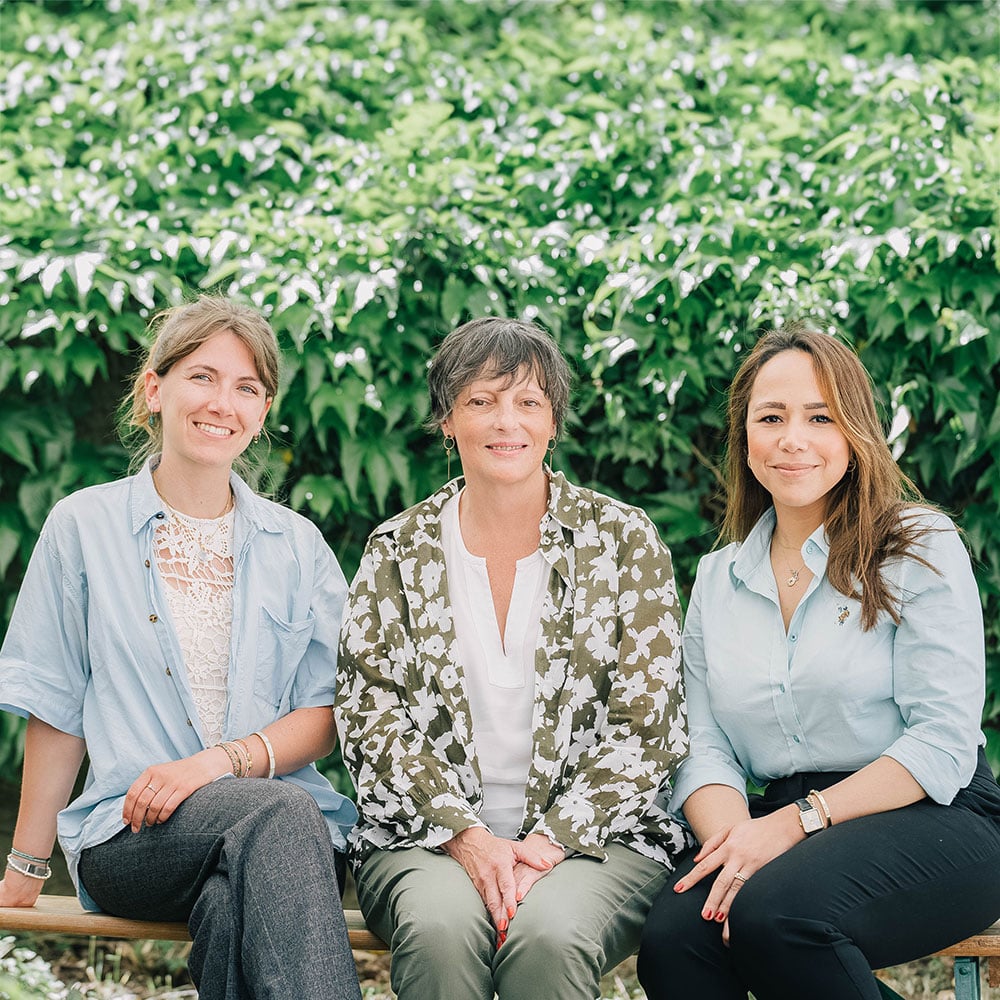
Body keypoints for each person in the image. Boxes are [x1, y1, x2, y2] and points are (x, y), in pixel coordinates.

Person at [0, 296, 363, 1000]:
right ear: (154, 389)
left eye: (246, 387)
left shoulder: (299, 548)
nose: (222, 402)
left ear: (262, 412)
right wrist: (27, 861)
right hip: (133, 837)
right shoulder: (83, 526)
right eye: (202, 376)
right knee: (280, 811)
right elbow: (56, 703)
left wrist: (212, 766)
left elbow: (329, 711)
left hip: (284, 839)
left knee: (231, 907)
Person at [636, 322, 1000, 1000]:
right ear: (745, 437)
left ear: (854, 432)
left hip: (935, 816)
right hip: (774, 826)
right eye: (770, 417)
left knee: (780, 917)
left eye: (819, 417)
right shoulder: (719, 578)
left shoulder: (917, 545)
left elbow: (943, 741)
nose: (792, 439)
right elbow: (703, 746)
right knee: (676, 940)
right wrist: (736, 847)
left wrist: (794, 825)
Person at [335, 316, 691, 1000]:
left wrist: (547, 844)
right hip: (425, 836)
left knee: (548, 935)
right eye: (481, 400)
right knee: (441, 930)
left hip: (598, 837)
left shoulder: (623, 541)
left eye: (528, 402)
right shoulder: (395, 551)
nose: (507, 421)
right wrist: (468, 836)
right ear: (446, 419)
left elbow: (649, 730)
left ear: (553, 419)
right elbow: (371, 721)